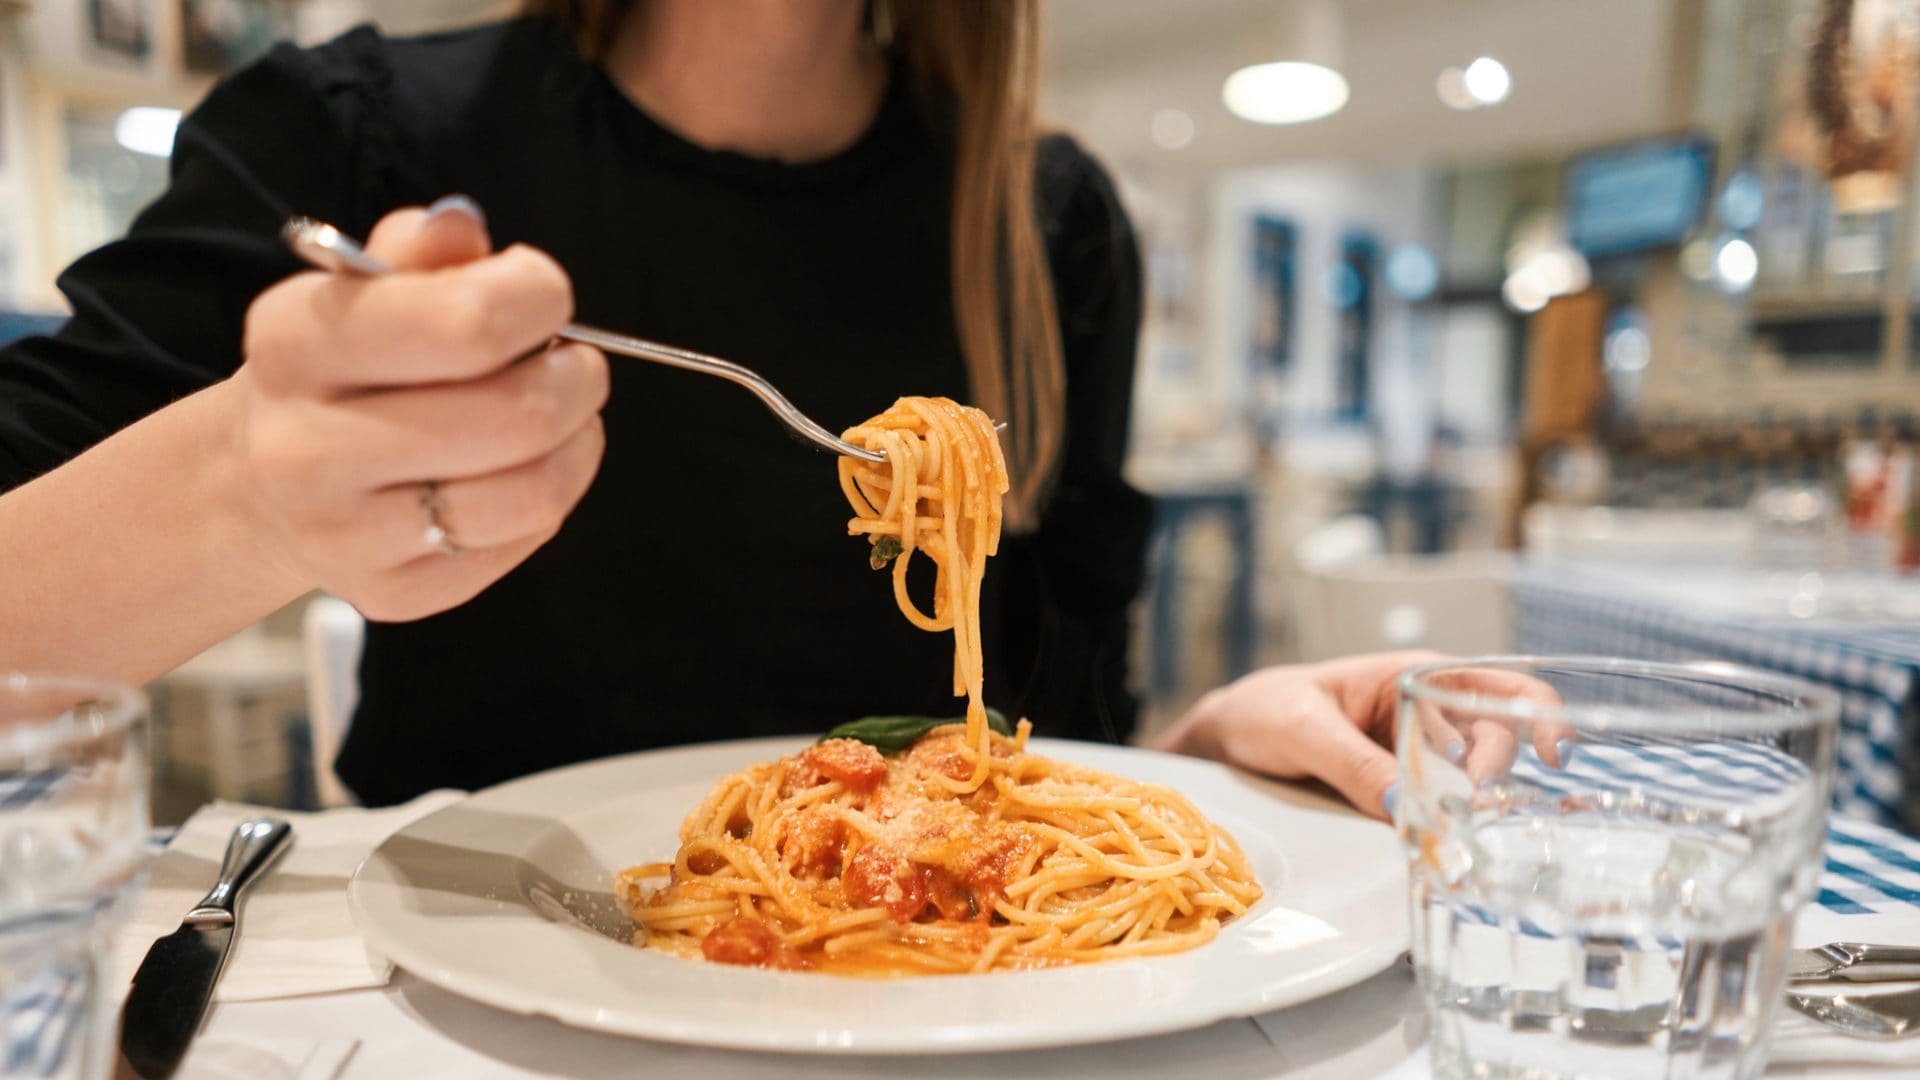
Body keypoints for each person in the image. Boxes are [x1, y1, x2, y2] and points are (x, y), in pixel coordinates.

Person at [0, 0, 1438, 816]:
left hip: (966, 995)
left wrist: (1206, 771)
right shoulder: (359, 135)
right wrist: (248, 489)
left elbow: (1061, 708)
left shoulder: (1045, 220)